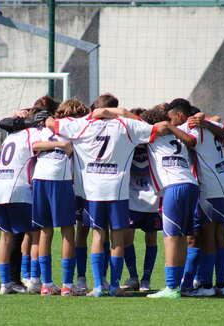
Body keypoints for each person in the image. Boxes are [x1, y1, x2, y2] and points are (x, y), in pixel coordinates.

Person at [45, 102, 160, 297]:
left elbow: (51, 124)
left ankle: (98, 286)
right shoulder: (125, 125)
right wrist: (122, 112)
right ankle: (114, 287)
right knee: (117, 237)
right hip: (118, 191)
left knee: (98, 235)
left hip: (92, 192)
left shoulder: (83, 124)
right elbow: (154, 129)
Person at [167, 99, 224, 297]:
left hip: (210, 186)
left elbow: (190, 141)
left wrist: (170, 127)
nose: (170, 121)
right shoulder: (210, 126)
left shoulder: (192, 127)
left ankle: (206, 286)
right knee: (219, 234)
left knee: (207, 235)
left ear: (180, 115)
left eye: (171, 118)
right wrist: (206, 120)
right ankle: (221, 285)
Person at [31, 98, 89, 296]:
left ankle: (46, 284)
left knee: (45, 232)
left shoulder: (45, 129)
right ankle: (67, 285)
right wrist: (65, 145)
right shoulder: (75, 130)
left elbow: (36, 145)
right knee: (67, 231)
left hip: (40, 178)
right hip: (60, 181)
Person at [0, 106, 48, 295]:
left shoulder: (10, 136)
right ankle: (26, 279)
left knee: (6, 237)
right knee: (28, 233)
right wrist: (62, 145)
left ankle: (7, 283)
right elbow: (39, 146)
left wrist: (17, 116)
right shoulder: (30, 134)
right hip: (18, 189)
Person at [141, 106, 199, 299]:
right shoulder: (180, 133)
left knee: (171, 237)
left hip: (174, 187)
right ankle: (179, 285)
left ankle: (171, 287)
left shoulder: (153, 134)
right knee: (181, 237)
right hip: (190, 185)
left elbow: (128, 118)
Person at [75, 93, 119, 292]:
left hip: (86, 188)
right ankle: (104, 282)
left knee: (93, 234)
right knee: (107, 234)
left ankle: (91, 281)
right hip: (109, 188)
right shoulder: (121, 126)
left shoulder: (83, 124)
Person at [121, 107, 163, 292]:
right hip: (131, 199)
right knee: (126, 239)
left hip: (153, 200)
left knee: (151, 239)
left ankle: (146, 279)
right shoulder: (128, 142)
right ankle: (133, 277)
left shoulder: (155, 141)